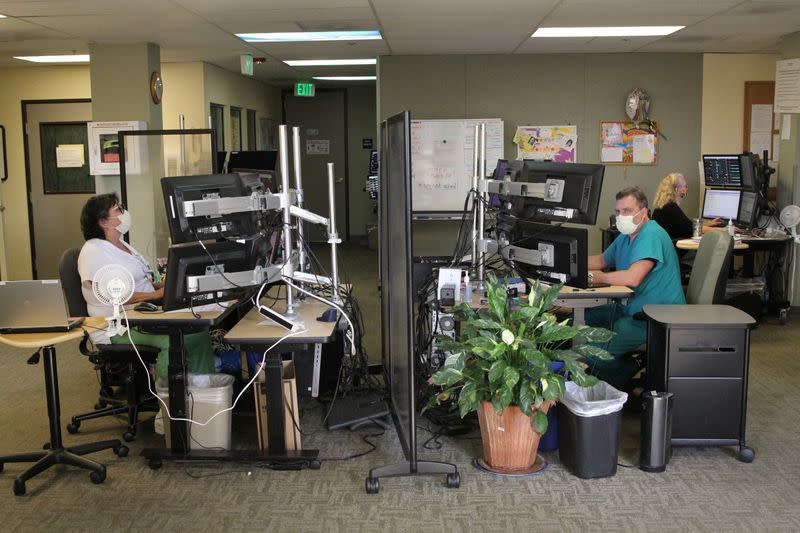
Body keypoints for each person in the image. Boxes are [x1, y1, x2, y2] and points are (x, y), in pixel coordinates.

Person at [78, 193, 214, 380]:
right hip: (117, 327)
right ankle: (170, 403)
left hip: (144, 316)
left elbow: (142, 278)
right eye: (118, 209)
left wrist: (170, 283)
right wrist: (156, 295)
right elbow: (116, 295)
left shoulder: (121, 244)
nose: (124, 212)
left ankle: (203, 394)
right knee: (178, 340)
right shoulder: (93, 252)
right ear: (103, 222)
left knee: (198, 330)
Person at [584, 187, 685, 389]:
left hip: (653, 316)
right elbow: (602, 260)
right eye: (618, 211)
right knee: (575, 321)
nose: (621, 216)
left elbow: (634, 277)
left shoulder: (652, 235)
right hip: (629, 306)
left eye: (627, 211)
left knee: (587, 352)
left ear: (644, 212)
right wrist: (567, 264)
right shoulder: (626, 236)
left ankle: (629, 368)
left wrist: (595, 278)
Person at [651, 172, 723, 240]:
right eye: (685, 186)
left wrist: (709, 224)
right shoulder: (670, 207)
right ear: (677, 190)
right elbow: (691, 229)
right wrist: (723, 230)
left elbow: (686, 225)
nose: (686, 189)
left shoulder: (663, 206)